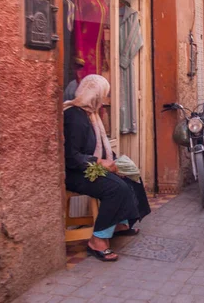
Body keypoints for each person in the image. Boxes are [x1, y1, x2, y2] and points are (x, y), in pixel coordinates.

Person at [64, 75, 149, 262]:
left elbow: (98, 147)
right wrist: (99, 162)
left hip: (88, 166)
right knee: (116, 188)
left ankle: (121, 223)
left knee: (130, 174)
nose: (104, 101)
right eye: (103, 95)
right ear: (94, 95)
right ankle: (97, 240)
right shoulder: (74, 116)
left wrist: (115, 163)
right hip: (75, 173)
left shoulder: (90, 114)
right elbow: (71, 157)